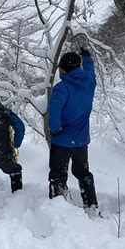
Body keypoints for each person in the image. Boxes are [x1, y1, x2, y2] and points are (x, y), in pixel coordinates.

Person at [47, 48, 99, 217]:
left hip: (61, 141)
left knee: (58, 175)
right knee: (83, 174)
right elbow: (90, 71)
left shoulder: (62, 87)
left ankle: (58, 212)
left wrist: (54, 128)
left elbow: (54, 109)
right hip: (81, 141)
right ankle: (91, 206)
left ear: (64, 69)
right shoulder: (89, 83)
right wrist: (87, 57)